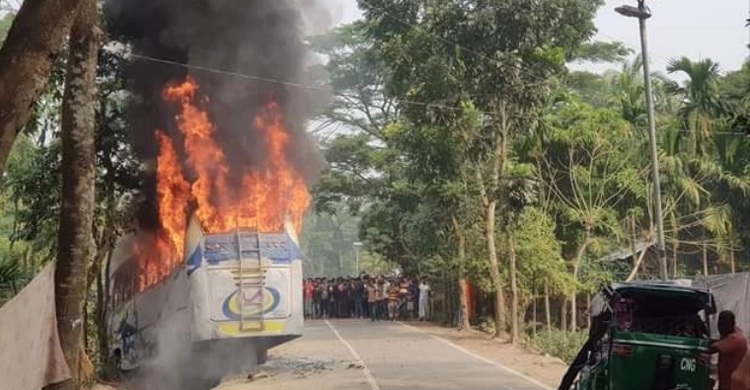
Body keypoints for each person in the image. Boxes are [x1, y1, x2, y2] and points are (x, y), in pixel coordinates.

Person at [710, 310, 748, 390]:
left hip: (734, 385)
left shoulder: (735, 339)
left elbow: (712, 348)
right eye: (719, 324)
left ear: (731, 324)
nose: (719, 328)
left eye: (723, 325)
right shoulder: (732, 334)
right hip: (727, 382)